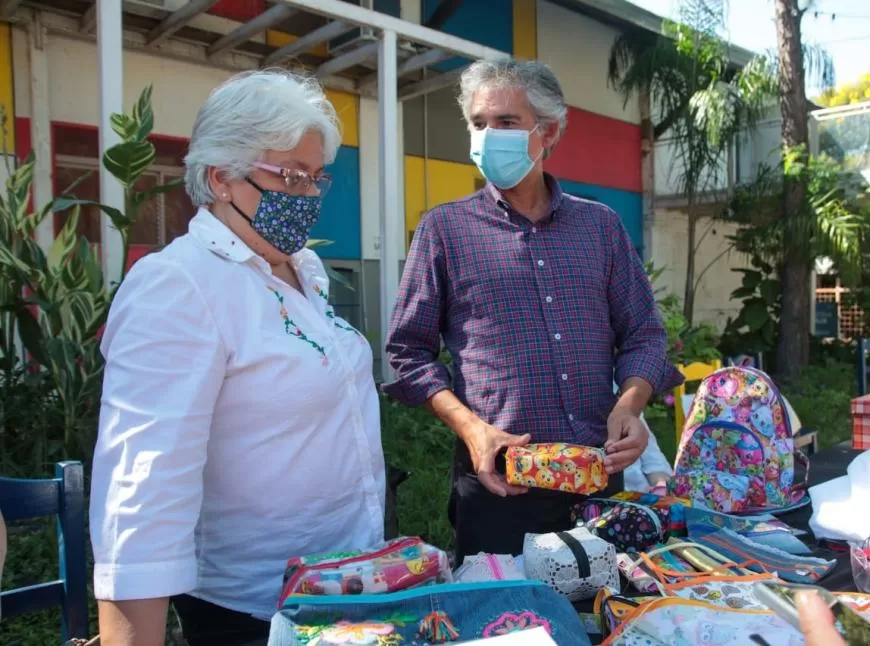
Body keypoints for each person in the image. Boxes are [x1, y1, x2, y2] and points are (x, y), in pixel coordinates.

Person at [89, 70, 386, 646]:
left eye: (315, 179)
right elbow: (143, 494)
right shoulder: (179, 285)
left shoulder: (298, 269)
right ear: (219, 178)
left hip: (348, 584)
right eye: (291, 177)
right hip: (254, 614)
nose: (307, 198)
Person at [384, 58, 682, 564]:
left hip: (595, 480)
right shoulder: (444, 231)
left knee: (603, 618)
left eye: (505, 122)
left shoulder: (600, 227)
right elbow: (407, 353)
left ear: (549, 133)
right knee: (507, 623)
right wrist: (471, 429)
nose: (487, 135)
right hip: (499, 482)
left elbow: (644, 336)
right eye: (478, 123)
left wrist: (629, 406)